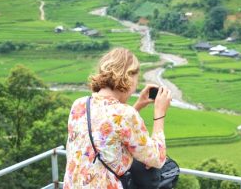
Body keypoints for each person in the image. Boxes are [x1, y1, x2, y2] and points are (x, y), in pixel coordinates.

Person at [63, 47, 172, 189]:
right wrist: (159, 113)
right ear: (129, 76)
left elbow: (110, 130)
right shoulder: (125, 114)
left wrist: (138, 105)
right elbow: (157, 158)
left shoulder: (79, 104)